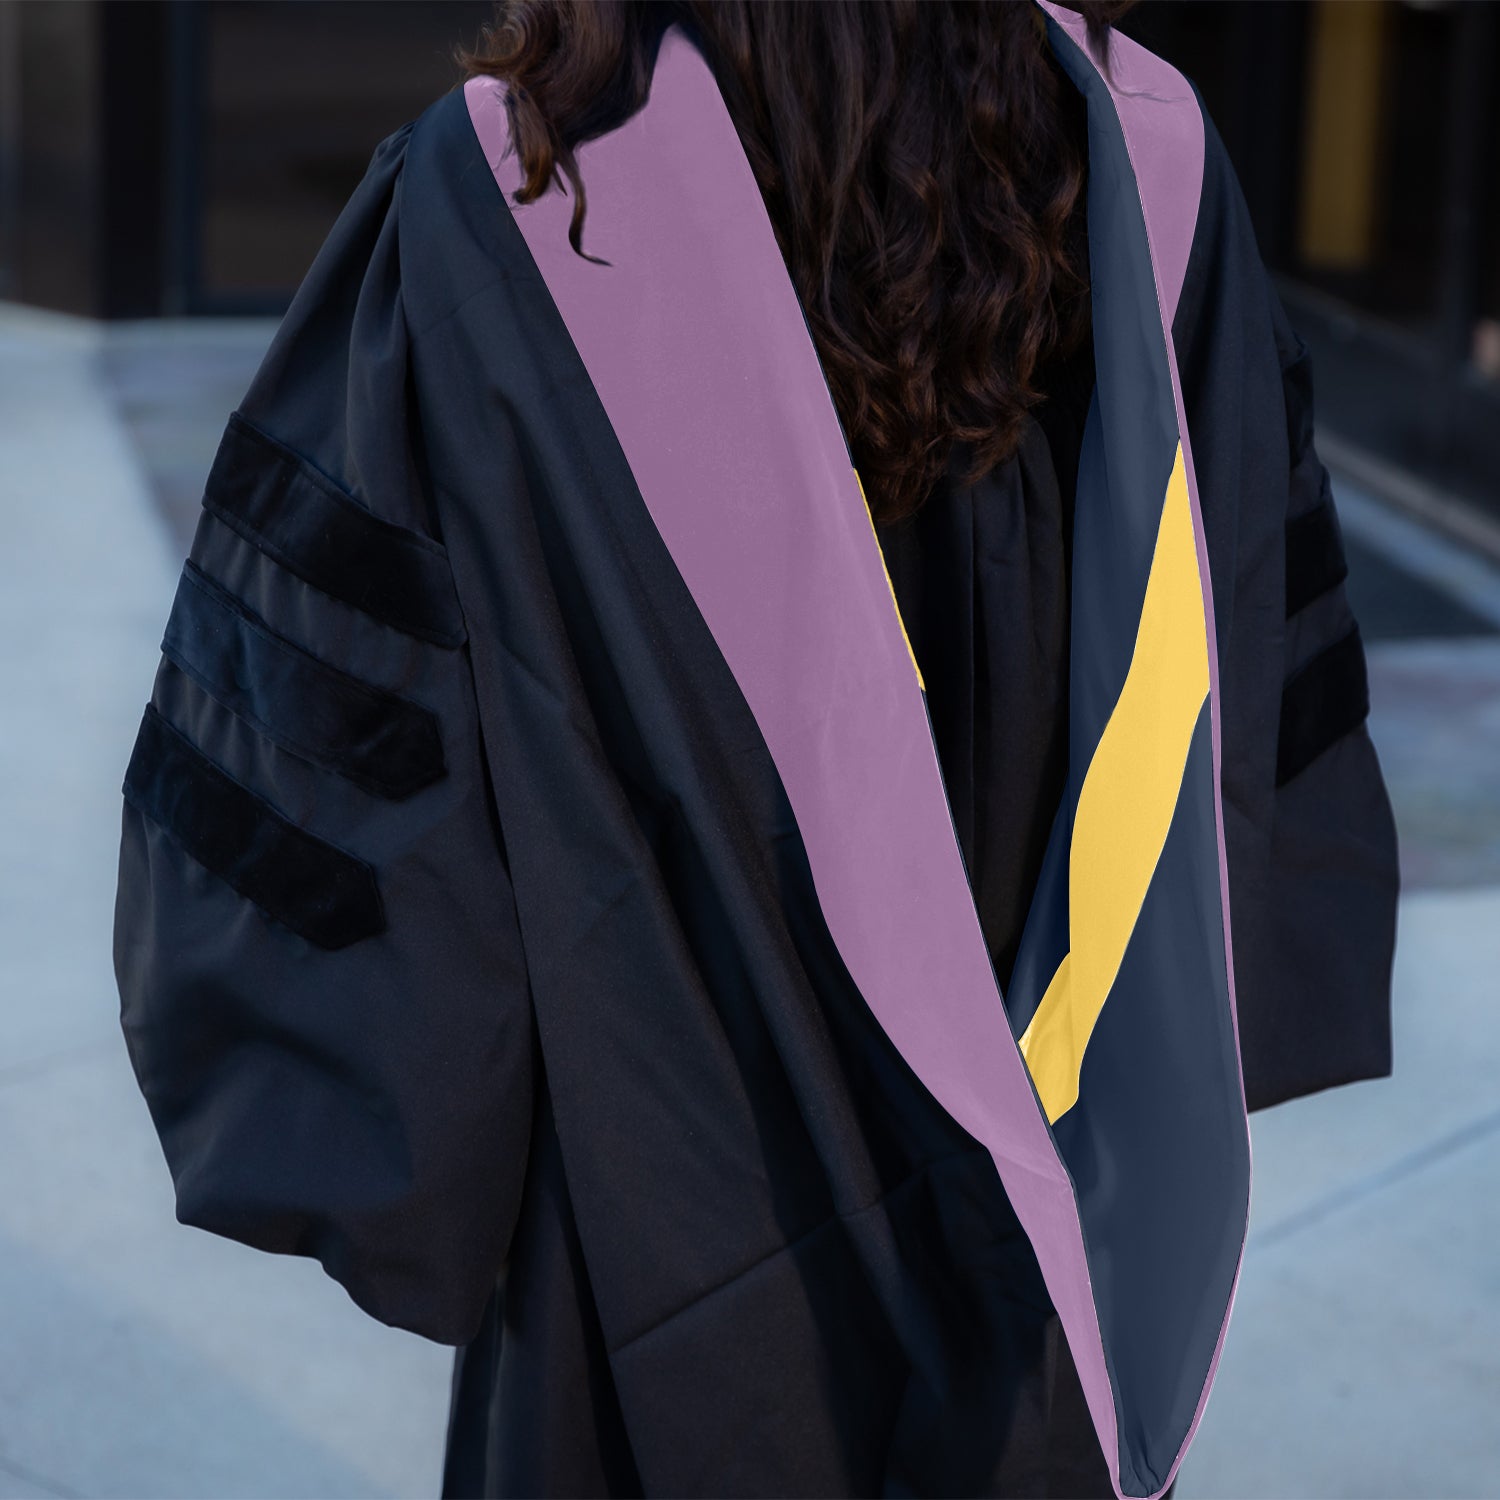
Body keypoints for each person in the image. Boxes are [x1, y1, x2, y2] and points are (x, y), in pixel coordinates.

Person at [111, 3, 1399, 1496]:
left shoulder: (511, 201)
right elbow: (1236, 678)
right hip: (1040, 1214)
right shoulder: (1131, 160)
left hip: (649, 1215)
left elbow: (364, 780)